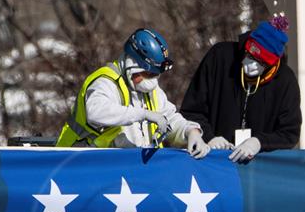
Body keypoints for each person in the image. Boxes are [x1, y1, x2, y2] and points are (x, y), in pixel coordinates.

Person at [56, 28, 208, 158]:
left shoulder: (150, 90)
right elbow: (96, 112)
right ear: (132, 66)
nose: (152, 80)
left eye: (156, 75)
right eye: (147, 74)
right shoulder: (105, 82)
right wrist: (143, 114)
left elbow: (169, 118)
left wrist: (191, 131)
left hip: (131, 171)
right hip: (80, 166)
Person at [180, 15, 301, 163]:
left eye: (261, 63)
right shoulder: (220, 57)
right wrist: (208, 137)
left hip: (259, 170)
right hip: (212, 161)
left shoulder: (285, 81)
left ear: (272, 64)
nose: (252, 65)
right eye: (250, 56)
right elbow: (191, 110)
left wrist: (259, 142)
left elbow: (289, 132)